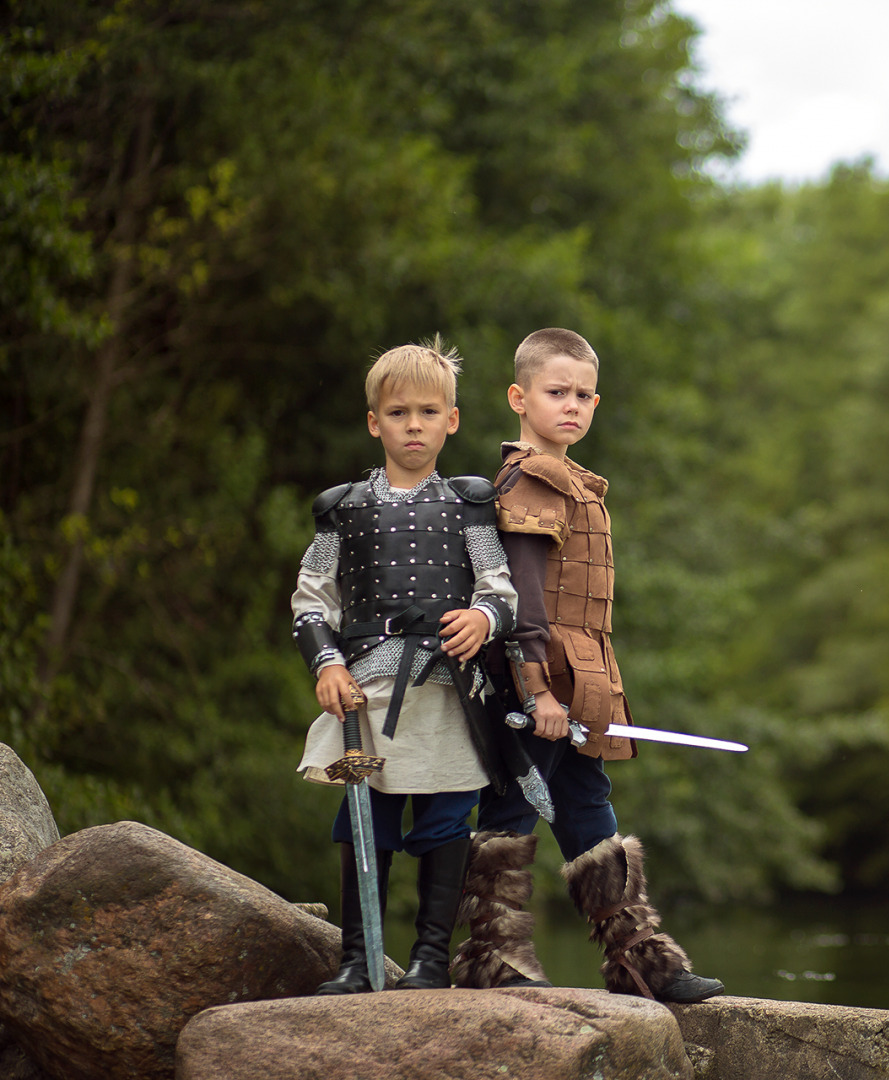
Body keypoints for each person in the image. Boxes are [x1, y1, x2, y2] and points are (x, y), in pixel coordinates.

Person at [451, 327, 723, 1003]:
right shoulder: (531, 482)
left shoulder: (574, 483)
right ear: (519, 398)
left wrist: (581, 693)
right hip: (536, 685)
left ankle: (640, 962)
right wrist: (537, 692)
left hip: (585, 685)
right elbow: (525, 600)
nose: (570, 405)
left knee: (587, 807)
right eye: (555, 392)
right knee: (513, 809)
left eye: (582, 395)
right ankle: (494, 957)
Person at [291, 339, 516, 994]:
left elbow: (500, 591)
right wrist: (327, 665)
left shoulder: (469, 504)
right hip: (362, 695)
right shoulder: (344, 509)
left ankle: (430, 963)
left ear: (452, 419)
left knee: (446, 821)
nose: (412, 425)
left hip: (448, 695)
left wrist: (482, 618)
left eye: (427, 411)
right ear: (374, 422)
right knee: (366, 817)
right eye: (398, 413)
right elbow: (311, 602)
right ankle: (359, 962)